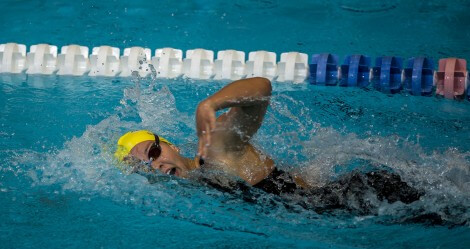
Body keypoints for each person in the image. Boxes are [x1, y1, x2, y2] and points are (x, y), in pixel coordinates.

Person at [115, 78, 422, 212]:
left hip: (368, 197)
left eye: (152, 152)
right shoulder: (199, 187)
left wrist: (210, 104)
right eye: (143, 167)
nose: (154, 164)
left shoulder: (213, 152)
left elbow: (261, 89)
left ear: (171, 147)